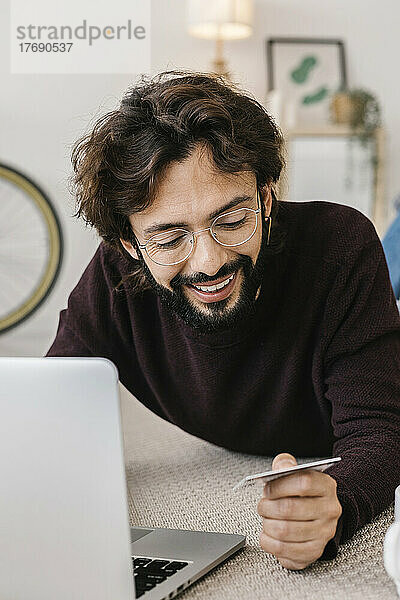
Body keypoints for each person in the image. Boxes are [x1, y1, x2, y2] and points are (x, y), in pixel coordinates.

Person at [46, 71, 400, 571]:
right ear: (129, 245)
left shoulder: (339, 247)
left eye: (232, 219)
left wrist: (336, 501)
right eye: (169, 238)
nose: (209, 262)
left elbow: (380, 430)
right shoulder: (116, 277)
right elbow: (51, 405)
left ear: (267, 197)